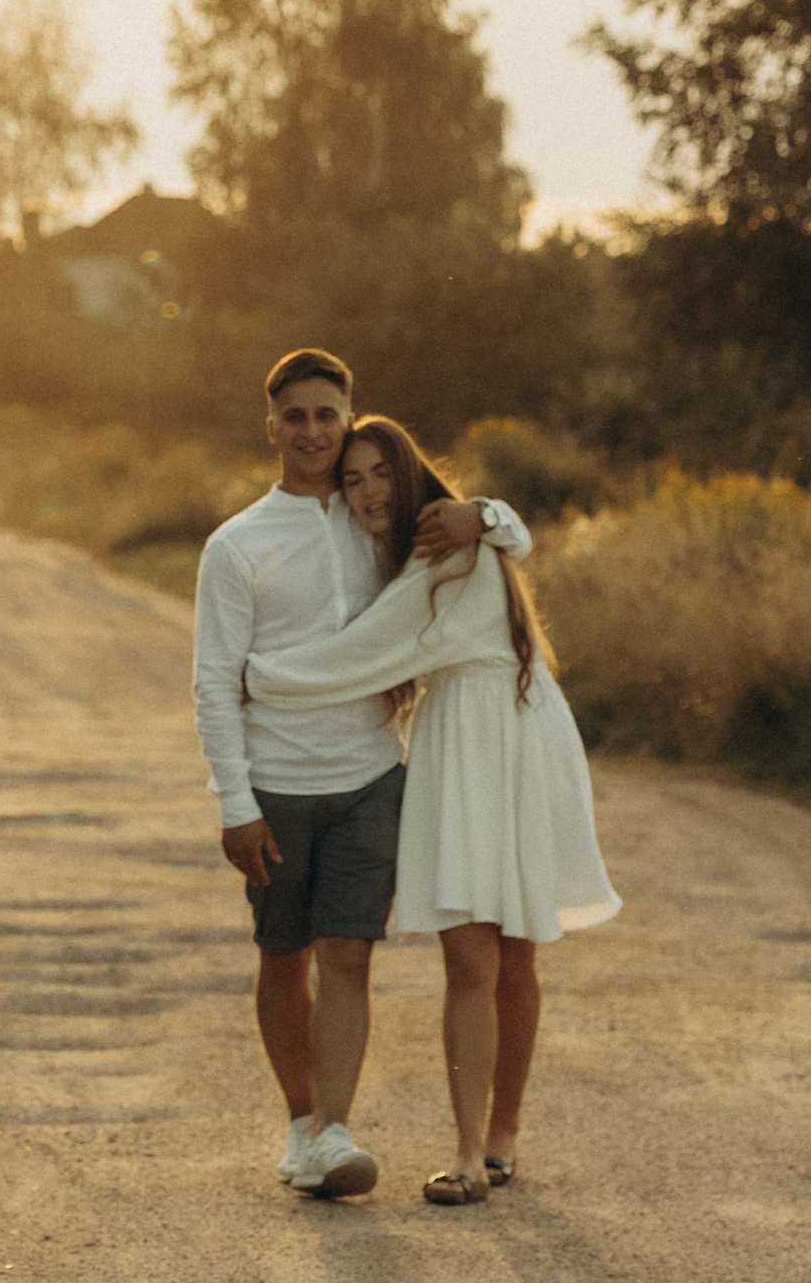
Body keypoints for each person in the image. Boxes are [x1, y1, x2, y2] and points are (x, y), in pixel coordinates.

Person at [244, 415, 619, 1205]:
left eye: (381, 472)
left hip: (512, 737)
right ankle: (472, 1151)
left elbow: (362, 655)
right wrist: (486, 513)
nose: (369, 490)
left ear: (411, 474)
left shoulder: (452, 547)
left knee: (514, 952)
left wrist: (256, 677)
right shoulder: (428, 554)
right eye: (353, 480)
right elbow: (382, 633)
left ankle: (498, 1139)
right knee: (473, 957)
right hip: (459, 740)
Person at [192, 348, 531, 1200]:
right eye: (295, 416)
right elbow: (212, 682)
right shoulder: (236, 546)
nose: (312, 431)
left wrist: (483, 512)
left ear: (349, 421)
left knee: (349, 954)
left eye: (327, 415)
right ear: (272, 428)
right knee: (283, 955)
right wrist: (236, 802)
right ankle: (303, 1124)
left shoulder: (382, 518)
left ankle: (335, 1132)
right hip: (275, 782)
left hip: (373, 776)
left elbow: (498, 543)